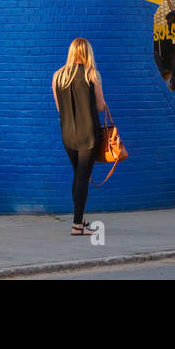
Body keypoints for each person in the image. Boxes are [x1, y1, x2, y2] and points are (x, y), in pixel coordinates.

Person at [51, 37, 107, 235]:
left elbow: (60, 108)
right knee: (83, 177)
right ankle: (77, 225)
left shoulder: (58, 76)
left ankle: (80, 218)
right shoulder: (92, 74)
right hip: (88, 134)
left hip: (68, 133)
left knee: (78, 175)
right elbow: (100, 106)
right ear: (87, 52)